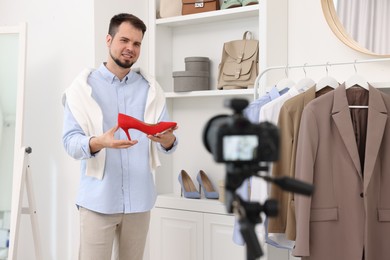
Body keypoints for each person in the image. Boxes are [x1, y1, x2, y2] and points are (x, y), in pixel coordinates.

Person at [62, 13, 178, 260]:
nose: (130, 48)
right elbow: (70, 142)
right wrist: (98, 143)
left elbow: (167, 141)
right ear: (108, 40)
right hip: (97, 202)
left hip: (139, 201)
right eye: (124, 40)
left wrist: (168, 141)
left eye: (136, 44)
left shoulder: (151, 90)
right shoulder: (82, 89)